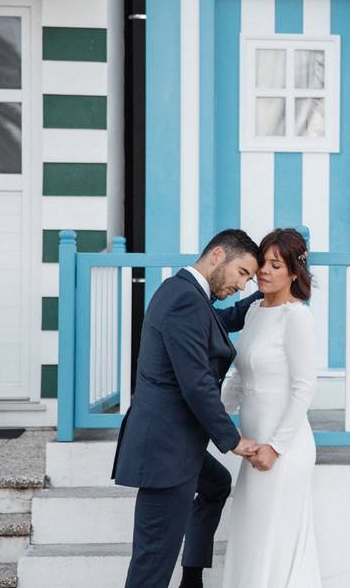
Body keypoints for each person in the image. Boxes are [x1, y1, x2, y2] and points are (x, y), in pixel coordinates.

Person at [112, 229, 264, 588]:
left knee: (216, 485)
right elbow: (195, 383)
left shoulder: (188, 295)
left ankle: (192, 576)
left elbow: (218, 324)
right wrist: (232, 439)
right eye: (242, 273)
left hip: (174, 444)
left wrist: (266, 295)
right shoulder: (185, 300)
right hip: (165, 451)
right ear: (216, 256)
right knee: (152, 562)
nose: (243, 284)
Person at [220, 228, 322, 588]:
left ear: (294, 273)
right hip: (252, 448)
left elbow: (303, 389)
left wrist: (275, 447)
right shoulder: (254, 312)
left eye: (275, 265)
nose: (263, 271)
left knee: (273, 544)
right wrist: (212, 419)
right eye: (262, 262)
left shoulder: (297, 317)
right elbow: (237, 377)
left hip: (284, 451)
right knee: (250, 539)